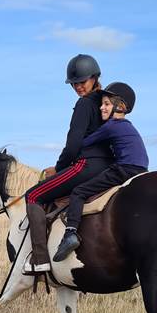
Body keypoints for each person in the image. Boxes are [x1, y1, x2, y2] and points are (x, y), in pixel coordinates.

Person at [22, 54, 114, 274]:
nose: (78, 87)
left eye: (82, 82)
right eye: (74, 84)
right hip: (110, 166)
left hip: (86, 165)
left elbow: (73, 146)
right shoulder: (108, 102)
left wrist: (59, 168)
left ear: (94, 78)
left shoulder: (84, 104)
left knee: (33, 196)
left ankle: (40, 259)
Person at [53, 82, 148, 262]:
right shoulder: (127, 126)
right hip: (140, 168)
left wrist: (73, 147)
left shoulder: (111, 126)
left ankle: (70, 233)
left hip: (123, 169)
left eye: (106, 104)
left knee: (79, 191)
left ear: (120, 107)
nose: (101, 108)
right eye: (101, 104)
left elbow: (84, 142)